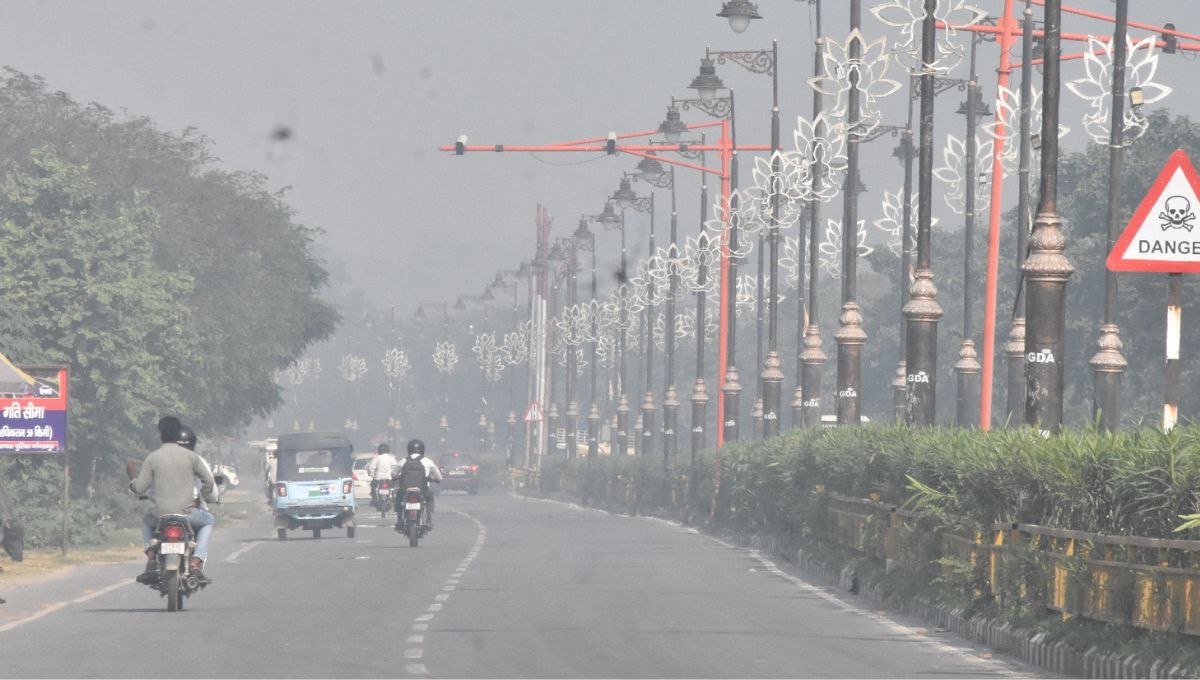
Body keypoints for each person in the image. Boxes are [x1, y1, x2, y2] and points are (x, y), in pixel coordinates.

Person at [129, 416, 218, 584]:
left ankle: (151, 559)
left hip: (159, 516)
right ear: (178, 434)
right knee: (209, 520)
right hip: (187, 514)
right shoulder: (191, 457)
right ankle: (196, 561)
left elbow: (139, 488)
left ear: (160, 434)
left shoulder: (153, 458)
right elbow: (209, 482)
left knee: (146, 521)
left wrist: (132, 479)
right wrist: (199, 500)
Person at [394, 438, 441, 529]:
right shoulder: (427, 461)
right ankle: (428, 519)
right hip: (422, 489)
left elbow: (393, 473)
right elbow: (438, 476)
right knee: (430, 497)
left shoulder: (403, 461)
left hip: (405, 489)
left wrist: (394, 477)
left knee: (398, 498)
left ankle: (399, 519)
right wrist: (436, 479)